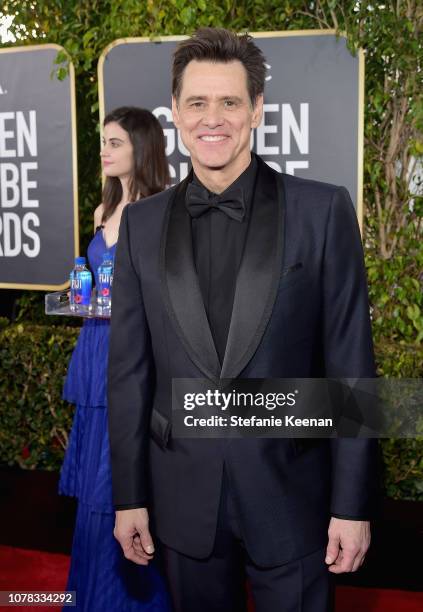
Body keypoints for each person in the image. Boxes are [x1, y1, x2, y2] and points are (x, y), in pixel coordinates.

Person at [108, 29, 378, 612]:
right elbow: (129, 374)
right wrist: (128, 496)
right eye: (198, 102)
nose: (214, 118)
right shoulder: (142, 225)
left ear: (256, 109)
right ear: (175, 112)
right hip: (181, 504)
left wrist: (351, 505)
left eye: (230, 102)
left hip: (294, 501)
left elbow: (353, 367)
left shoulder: (322, 210)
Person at [59, 106, 171, 612]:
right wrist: (78, 299)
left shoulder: (161, 210)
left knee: (118, 486)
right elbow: (93, 288)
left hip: (130, 357)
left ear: (141, 149)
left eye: (114, 143)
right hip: (94, 351)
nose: (103, 151)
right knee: (93, 493)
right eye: (102, 142)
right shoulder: (104, 213)